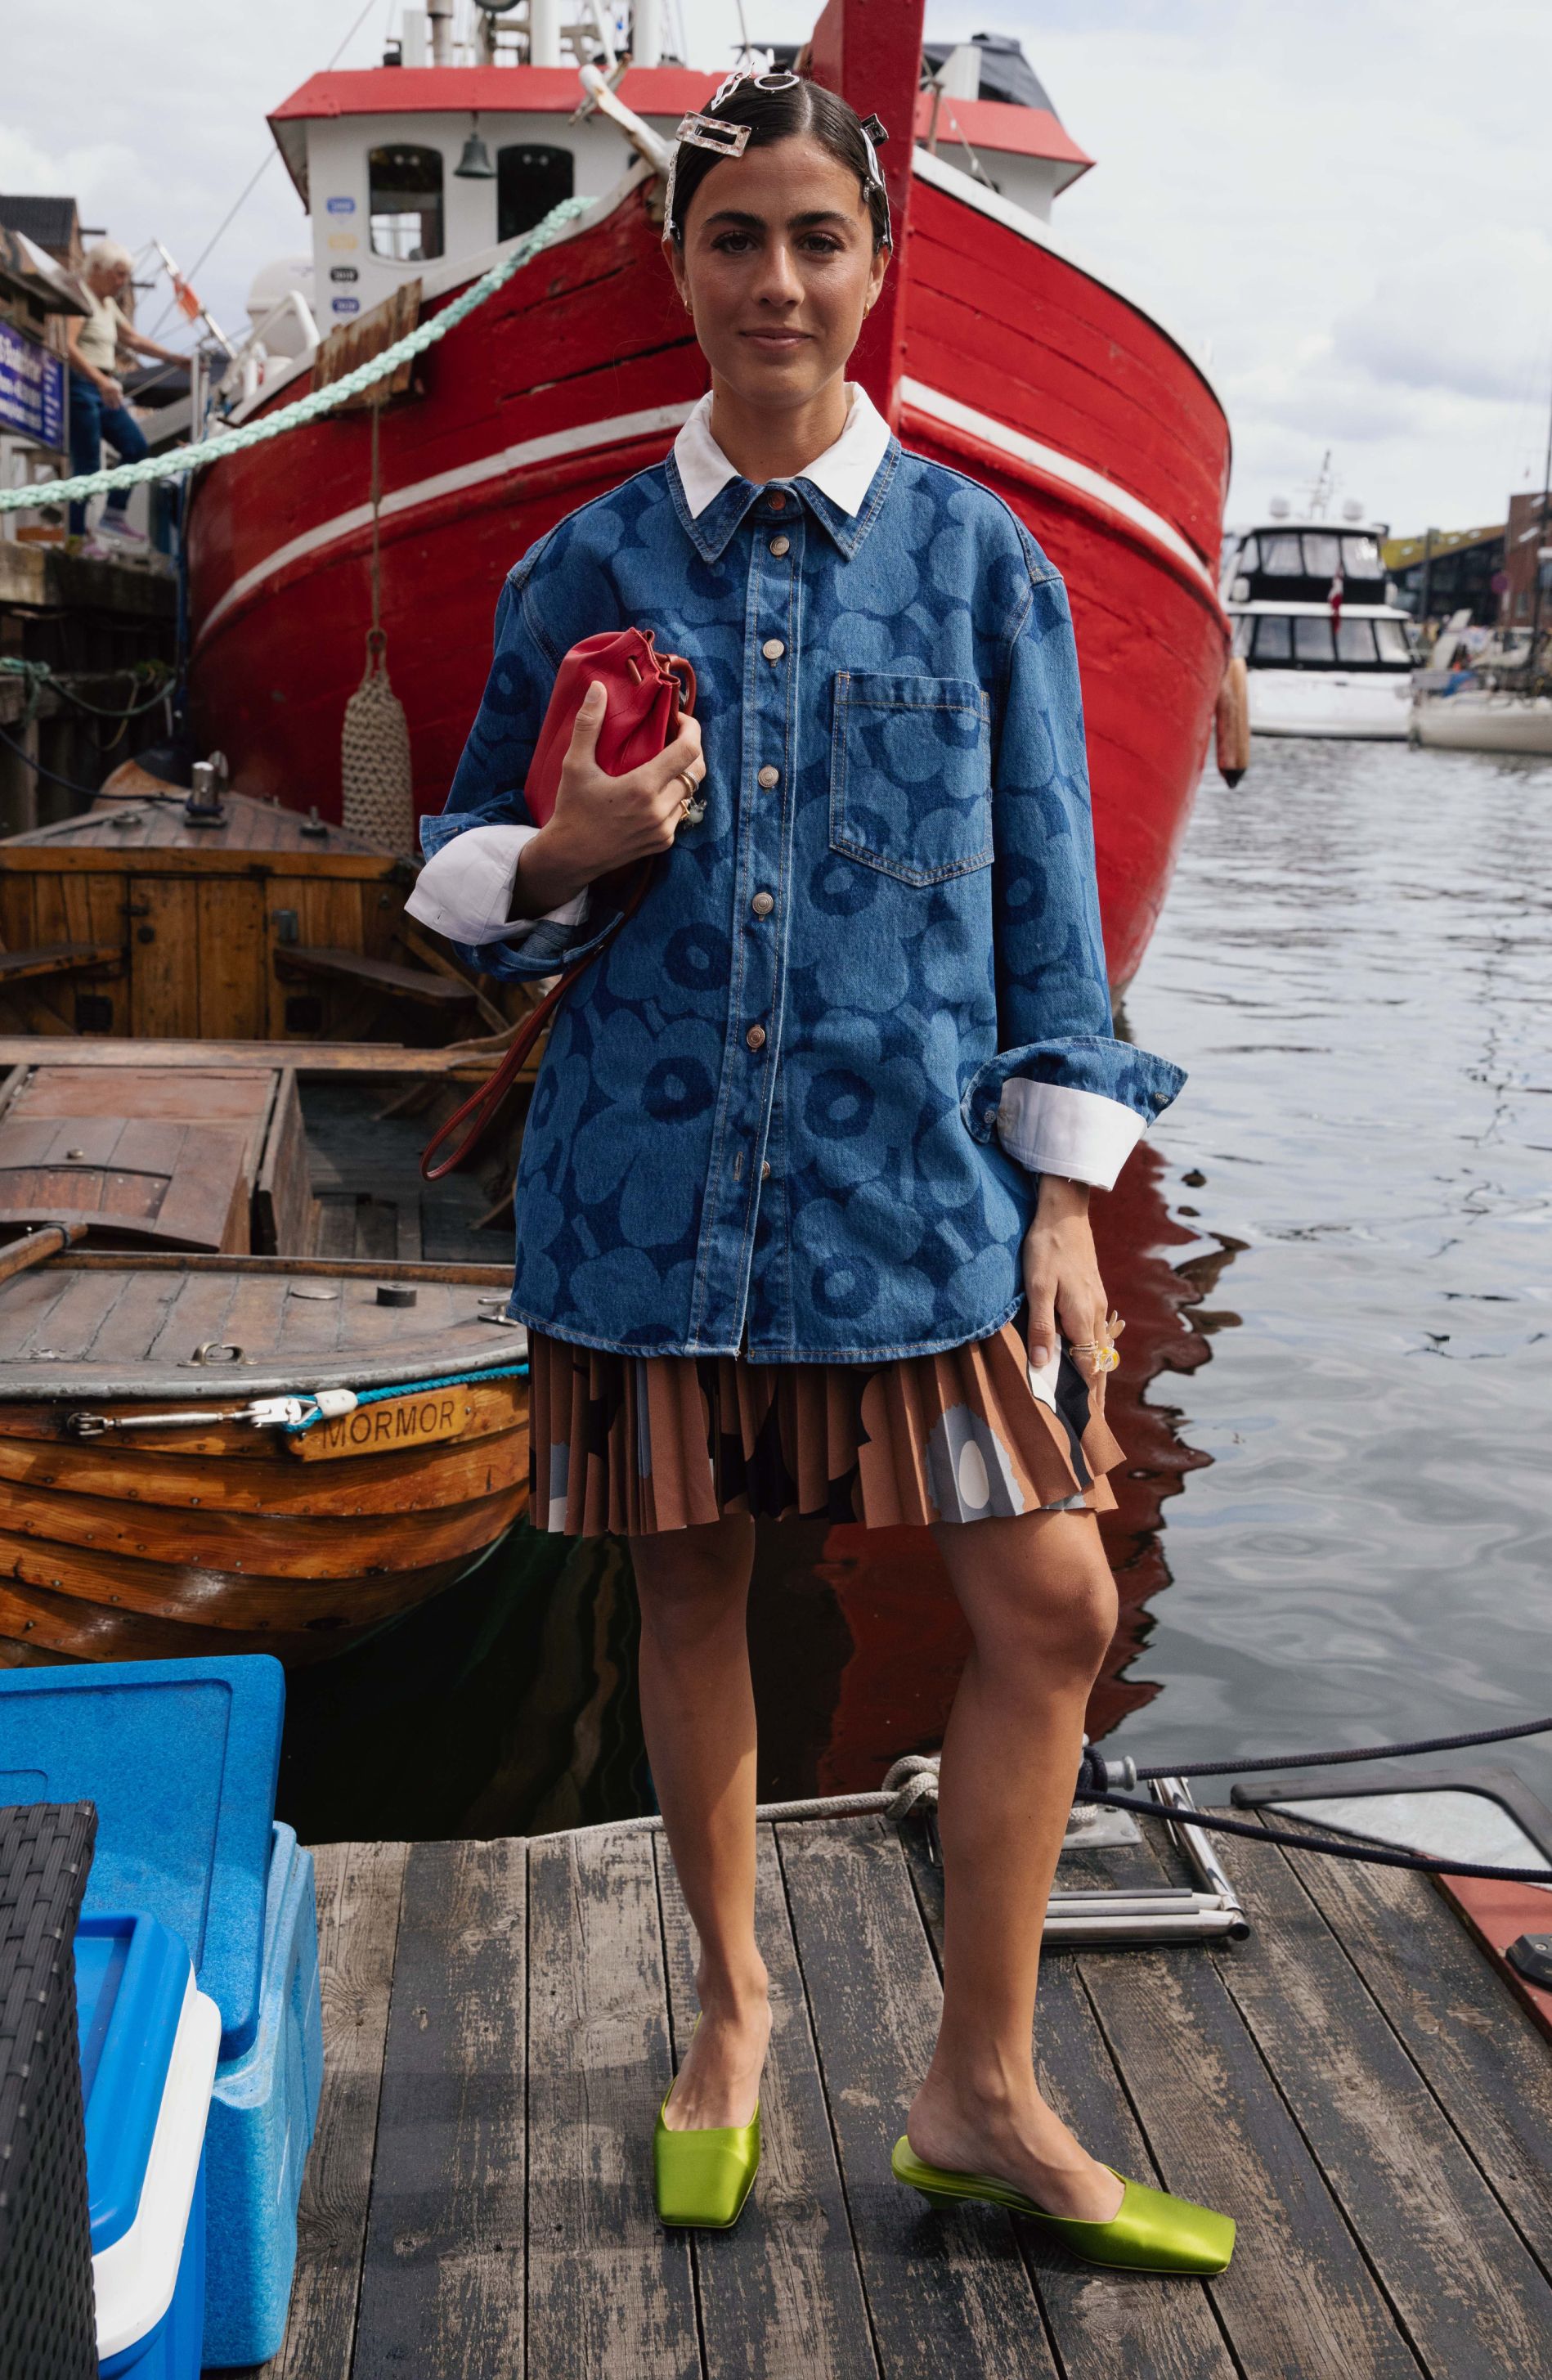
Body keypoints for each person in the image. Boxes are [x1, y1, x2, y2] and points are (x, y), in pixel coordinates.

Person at [407, 70, 1234, 2274]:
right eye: (734, 237)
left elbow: (1049, 913)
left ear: (874, 272)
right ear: (678, 265)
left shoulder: (987, 563)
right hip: (649, 1189)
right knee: (686, 1585)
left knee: (1050, 1602)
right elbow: (458, 865)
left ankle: (978, 2081)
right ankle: (731, 2007)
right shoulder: (573, 558)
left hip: (911, 1191)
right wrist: (566, 851)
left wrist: (1062, 1196)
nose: (776, 280)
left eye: (816, 240)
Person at [64, 238, 182, 546]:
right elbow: (68, 345)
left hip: (106, 386)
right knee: (87, 465)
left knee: (135, 447)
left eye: (126, 275)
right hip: (83, 385)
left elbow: (133, 339)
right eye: (118, 274)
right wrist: (100, 381)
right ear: (98, 269)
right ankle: (77, 537)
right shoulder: (81, 297)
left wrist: (173, 358)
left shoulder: (108, 305)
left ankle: (113, 515)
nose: (123, 282)